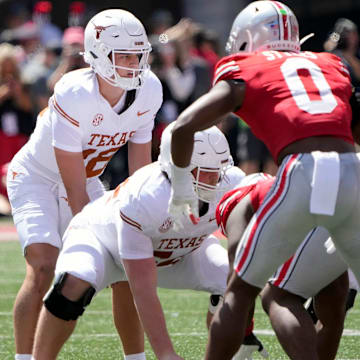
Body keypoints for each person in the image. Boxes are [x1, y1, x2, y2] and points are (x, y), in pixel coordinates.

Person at [167, 1, 360, 359]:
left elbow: (183, 126)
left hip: (303, 170)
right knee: (319, 292)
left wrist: (180, 187)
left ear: (246, 40)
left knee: (243, 291)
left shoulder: (246, 67)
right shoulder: (331, 64)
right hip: (354, 169)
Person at [31, 125, 267, 360]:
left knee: (235, 281)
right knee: (72, 284)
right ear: (176, 167)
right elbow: (142, 288)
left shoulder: (232, 182)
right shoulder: (147, 197)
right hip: (102, 242)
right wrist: (166, 353)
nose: (213, 179)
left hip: (175, 252)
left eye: (217, 170)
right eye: (203, 171)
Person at [6, 9, 162, 360]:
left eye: (138, 54)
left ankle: (135, 358)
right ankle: (23, 358)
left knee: (126, 265)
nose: (133, 63)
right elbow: (72, 186)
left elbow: (139, 172)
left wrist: (142, 219)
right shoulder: (74, 92)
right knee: (44, 264)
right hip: (38, 178)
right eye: (123, 54)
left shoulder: (149, 89)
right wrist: (90, 233)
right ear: (97, 53)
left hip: (86, 177)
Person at [216, 172, 349, 359]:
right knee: (332, 301)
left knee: (278, 297)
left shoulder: (239, 204)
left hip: (329, 205)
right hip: (342, 193)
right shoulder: (275, 186)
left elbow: (237, 282)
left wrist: (245, 334)